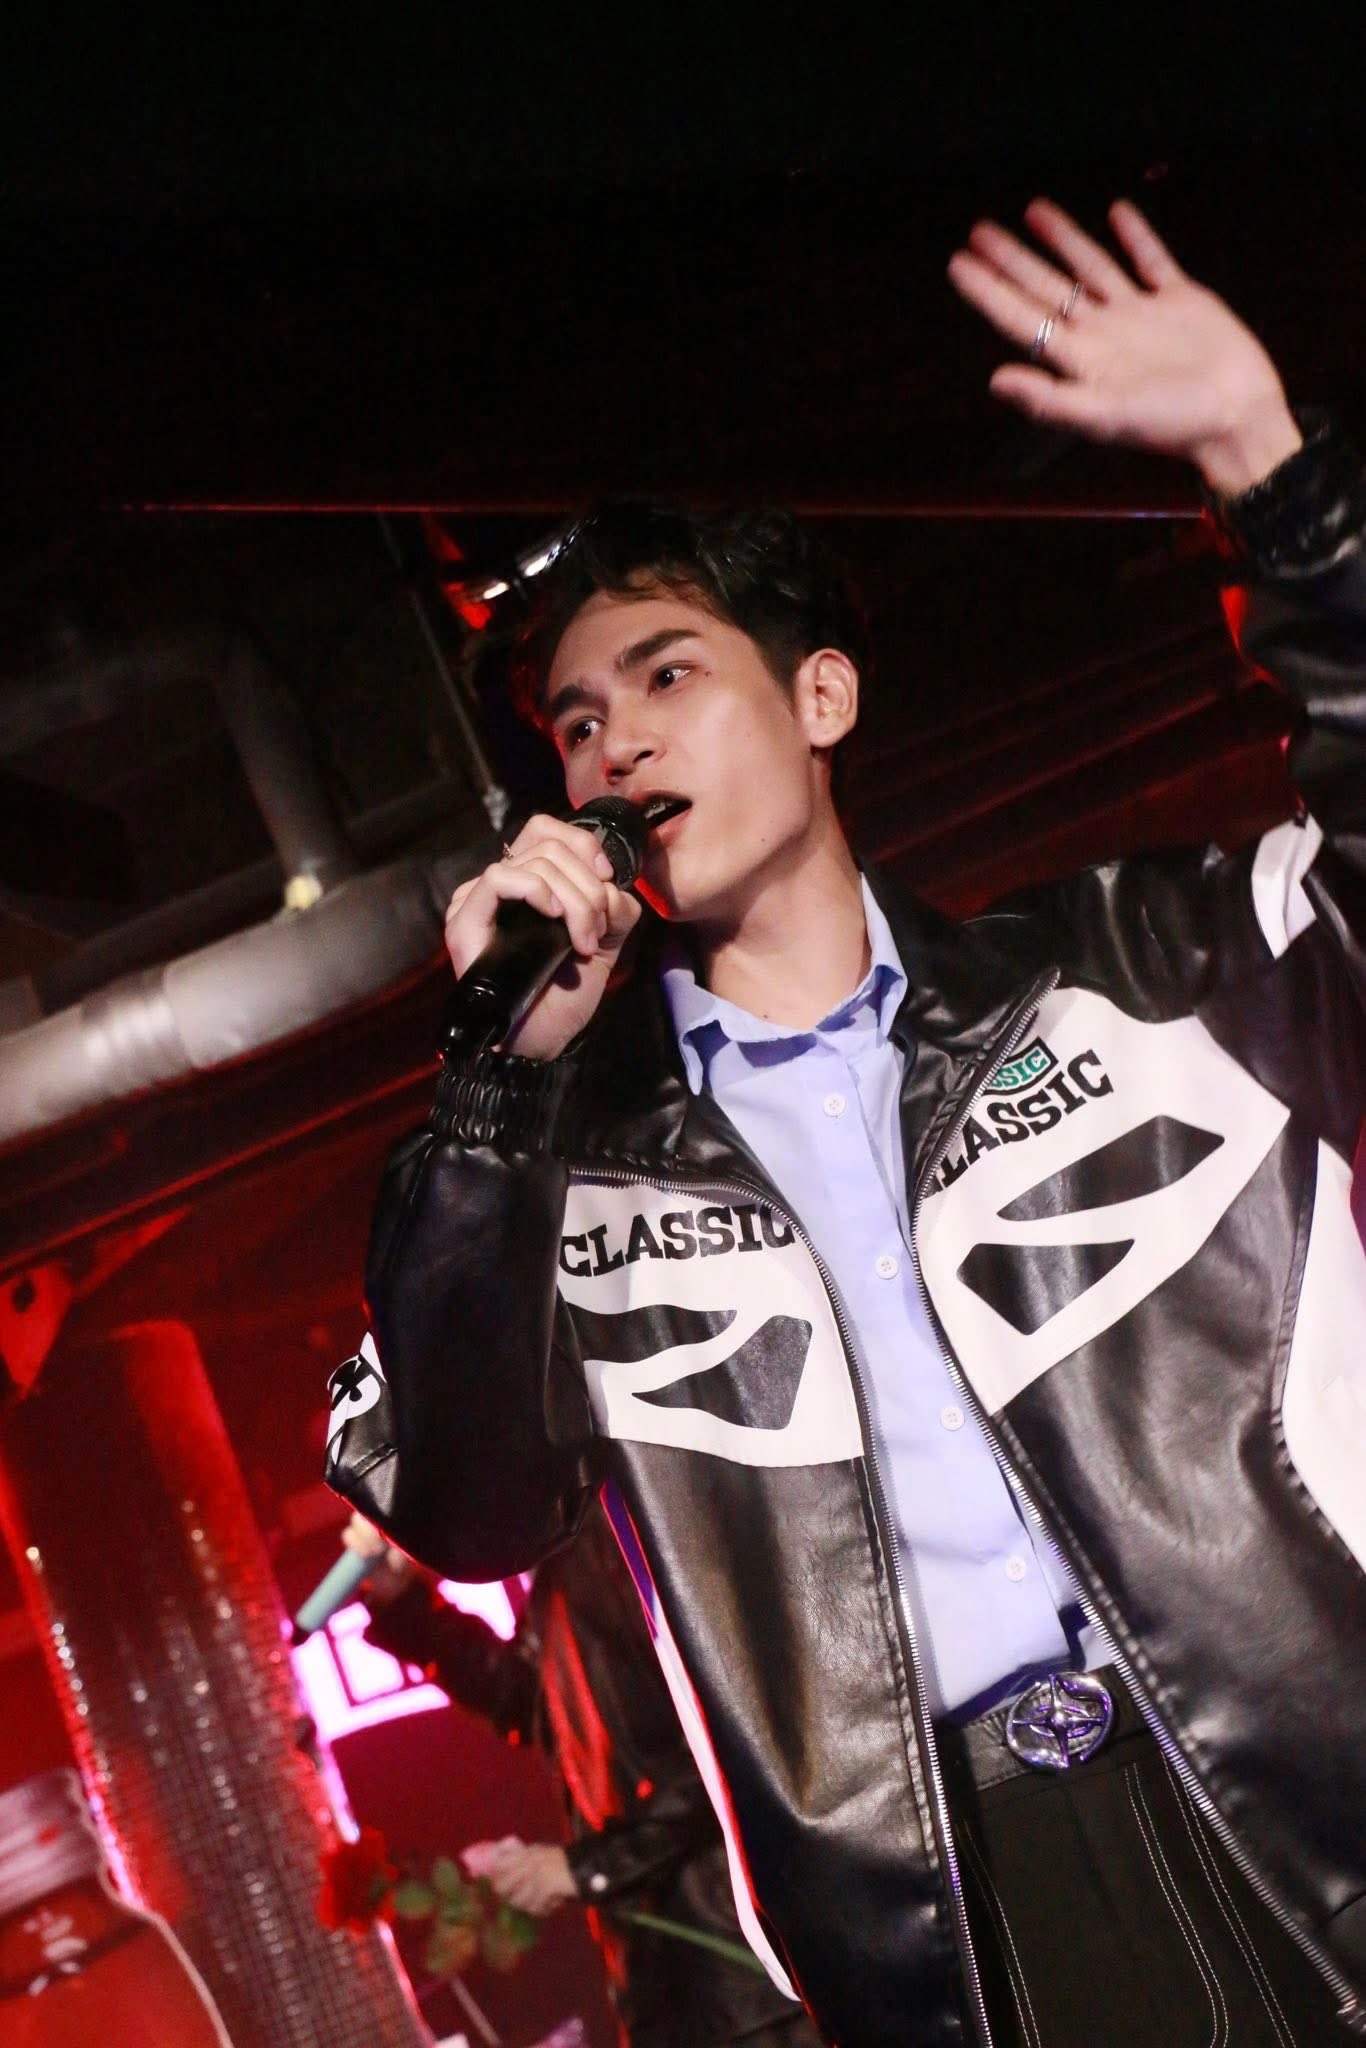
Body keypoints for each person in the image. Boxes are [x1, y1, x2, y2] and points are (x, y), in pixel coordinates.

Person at [325, 199, 1366, 2045]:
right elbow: (465, 1505)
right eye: (575, 722)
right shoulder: (567, 1180)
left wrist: (1275, 480)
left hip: (1312, 1778)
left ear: (821, 697)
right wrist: (497, 1091)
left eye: (667, 675)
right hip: (967, 1916)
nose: (617, 746)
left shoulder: (1142, 962)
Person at [341, 1504, 822, 2048]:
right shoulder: (562, 1564)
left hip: (744, 1984)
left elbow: (723, 1744)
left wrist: (586, 1869)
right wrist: (407, 1607)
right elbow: (534, 1701)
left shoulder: (610, 1539)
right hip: (676, 1988)